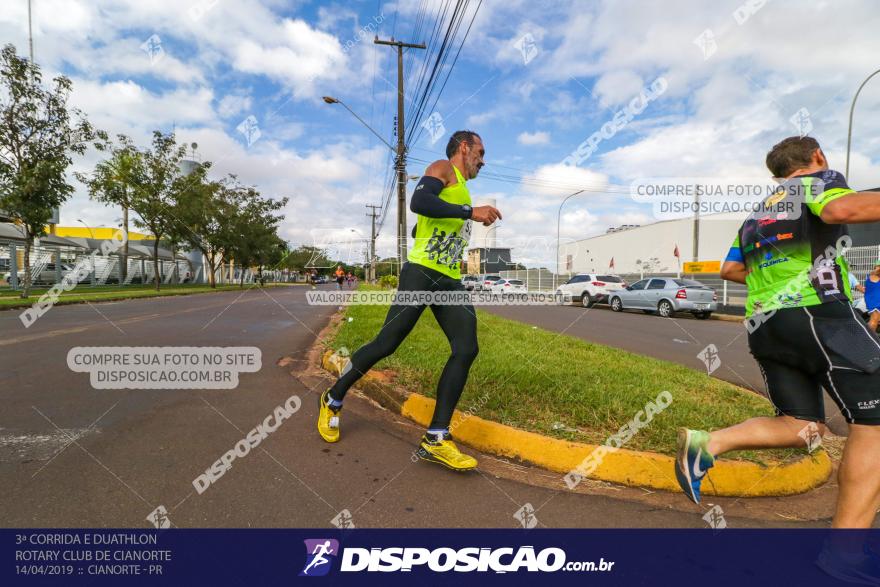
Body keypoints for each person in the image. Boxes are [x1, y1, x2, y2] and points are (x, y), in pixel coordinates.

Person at [675, 136, 880, 534]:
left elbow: (730, 271)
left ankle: (708, 444)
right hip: (819, 314)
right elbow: (841, 207)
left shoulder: (755, 216)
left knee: (800, 425)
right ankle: (846, 552)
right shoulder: (815, 180)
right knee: (873, 426)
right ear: (817, 157)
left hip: (765, 324)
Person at [317, 130, 501, 471]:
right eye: (480, 151)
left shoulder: (460, 185)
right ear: (464, 147)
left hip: (449, 279)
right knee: (387, 342)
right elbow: (419, 202)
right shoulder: (443, 168)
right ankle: (333, 397)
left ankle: (436, 437)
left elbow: (424, 224)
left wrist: (441, 224)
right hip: (421, 274)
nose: (483, 159)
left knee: (466, 348)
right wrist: (469, 212)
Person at [864, 262, 880, 331]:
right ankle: (867, 337)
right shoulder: (875, 274)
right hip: (874, 300)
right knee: (874, 321)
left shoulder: (873, 274)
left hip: (873, 299)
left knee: (875, 321)